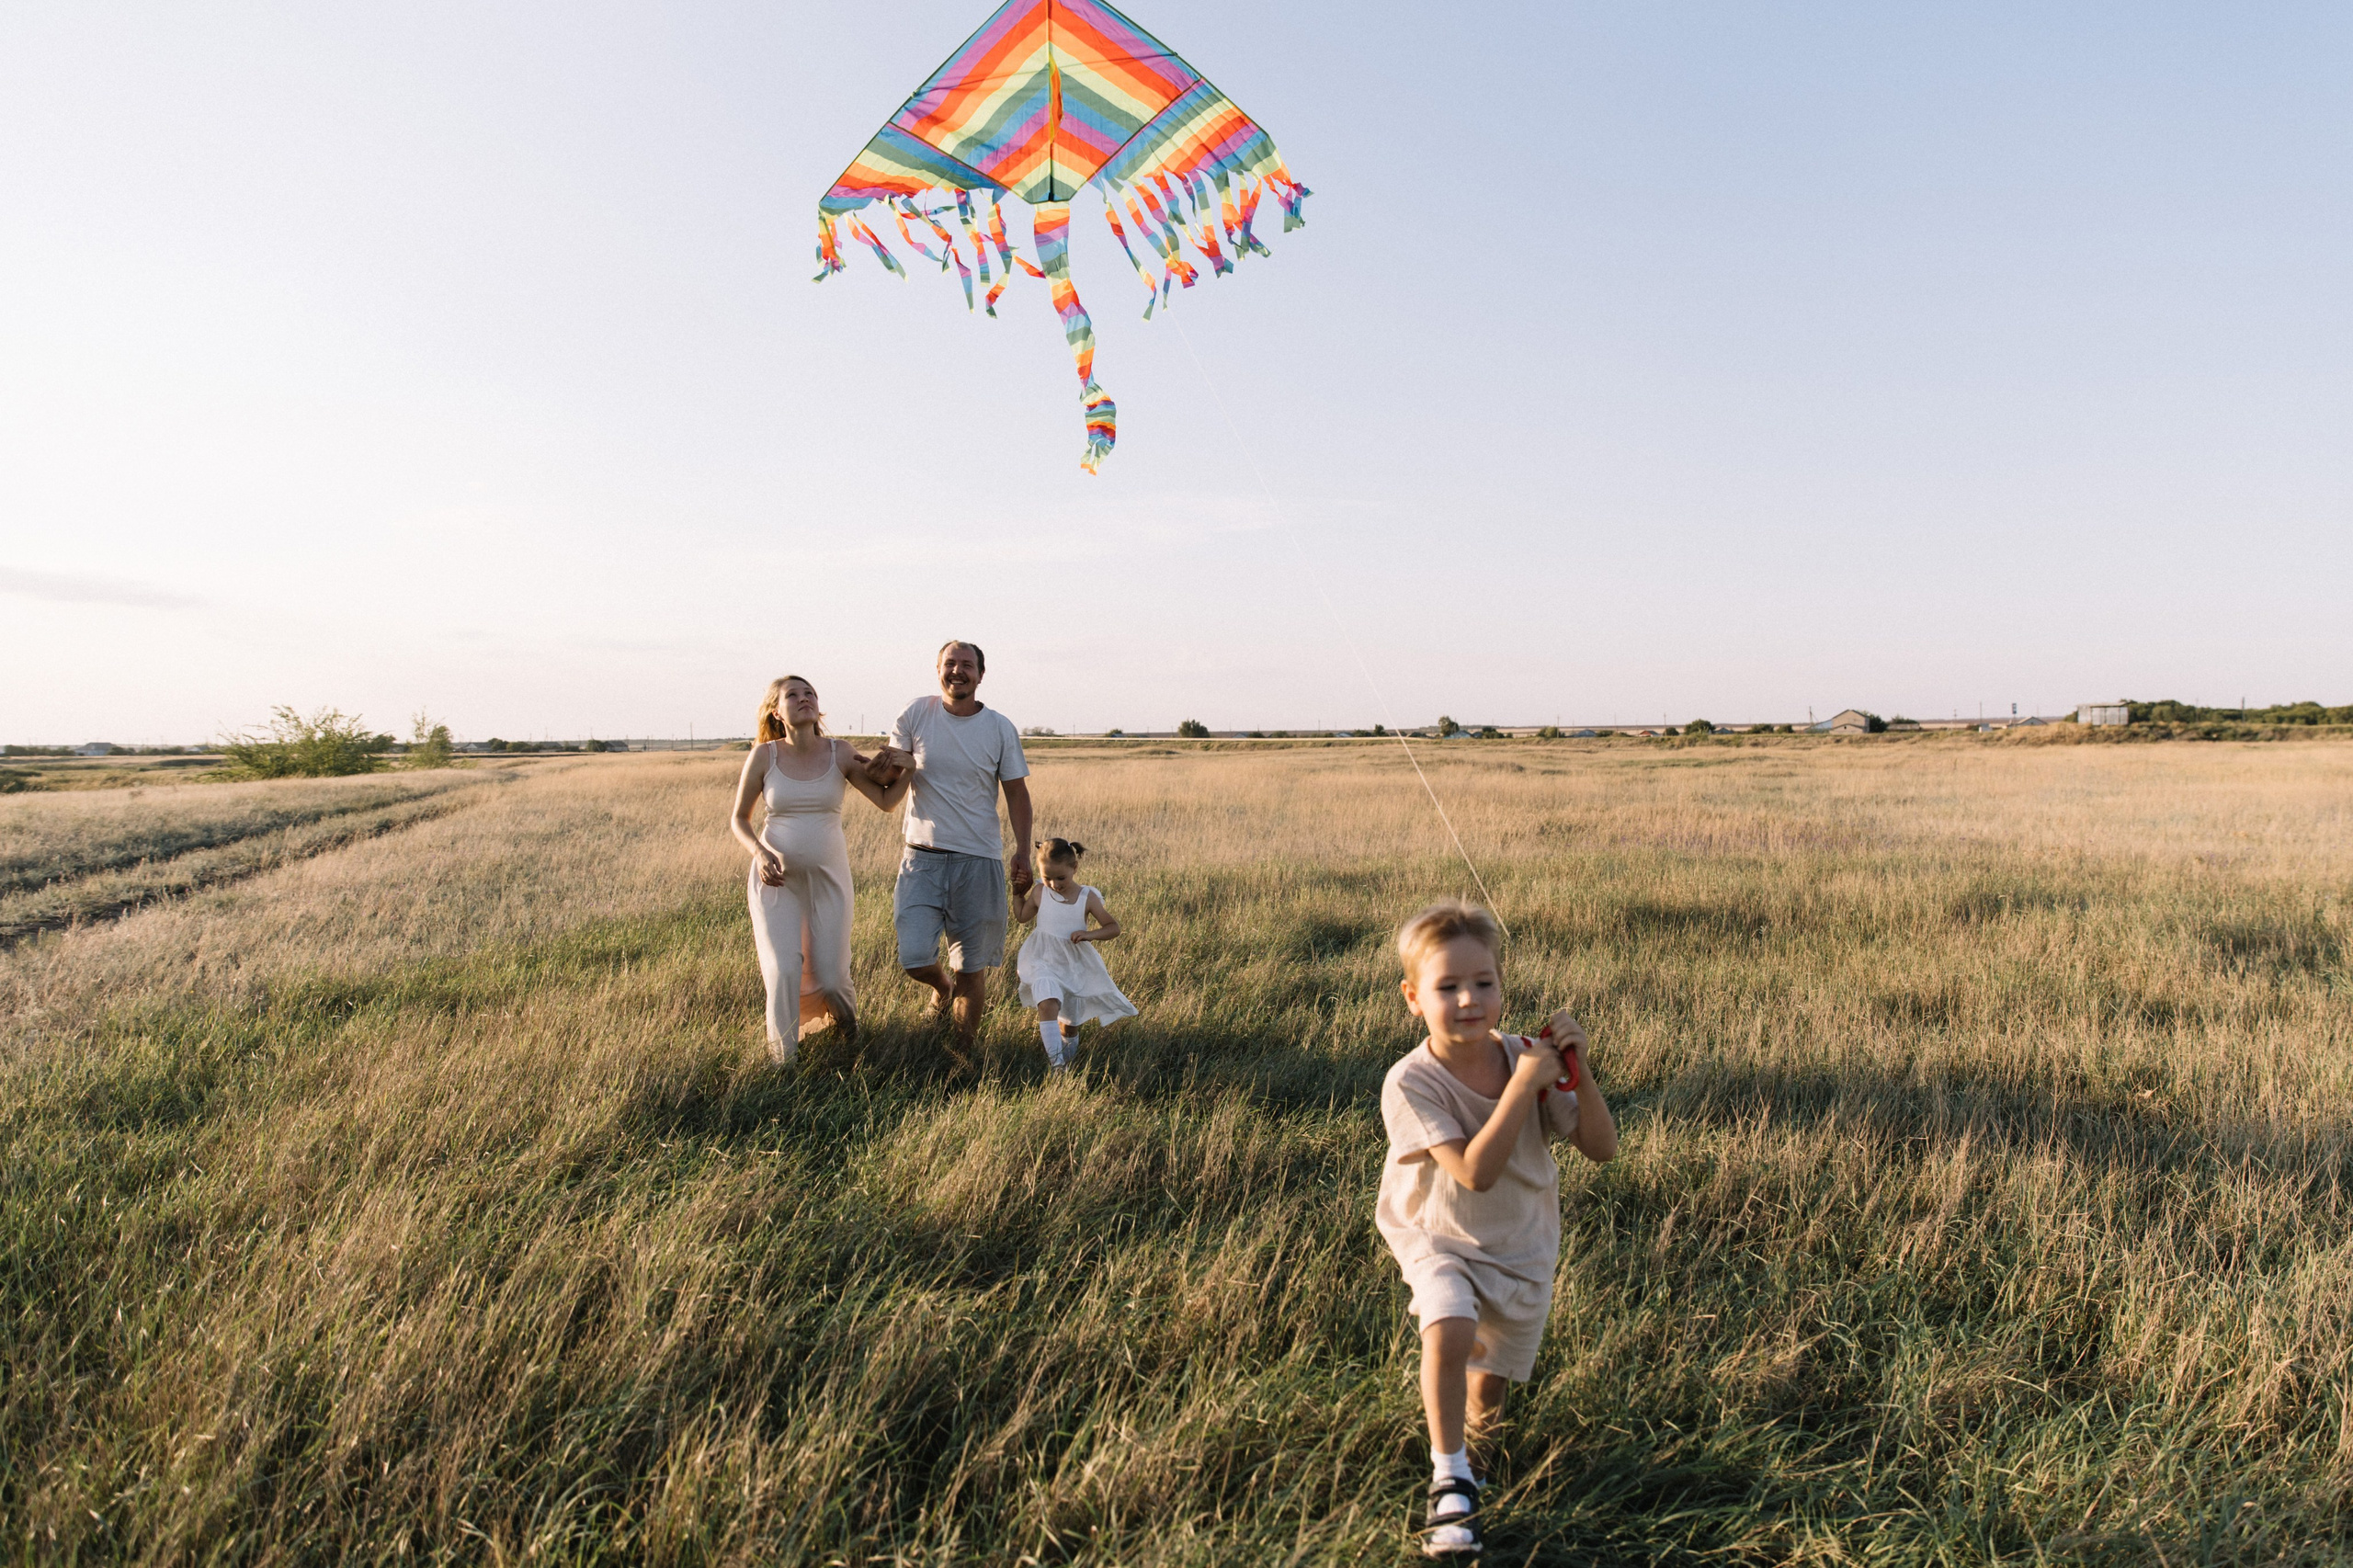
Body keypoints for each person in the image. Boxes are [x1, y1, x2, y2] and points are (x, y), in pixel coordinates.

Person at [1376, 900, 1620, 1559]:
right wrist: (1522, 1089)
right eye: (1447, 987)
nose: (1468, 999)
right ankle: (1447, 1476)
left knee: (1489, 1390)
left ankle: (1474, 1474)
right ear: (1413, 998)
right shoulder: (1409, 1082)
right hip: (1439, 1233)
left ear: (1501, 987)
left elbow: (1602, 1147)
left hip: (1520, 1244)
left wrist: (1577, 1068)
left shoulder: (1526, 1058)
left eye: (1483, 982)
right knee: (1449, 1324)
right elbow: (1472, 1174)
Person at [869, 640, 1033, 1068]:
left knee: (971, 967)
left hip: (978, 860)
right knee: (914, 956)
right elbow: (890, 778)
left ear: (981, 674)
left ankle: (960, 1057)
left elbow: (1017, 793)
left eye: (966, 665)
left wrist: (1021, 850)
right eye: (949, 664)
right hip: (920, 858)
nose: (957, 672)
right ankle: (940, 990)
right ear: (937, 670)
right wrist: (889, 764)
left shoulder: (999, 727)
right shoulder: (914, 714)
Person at [728, 675, 904, 1064]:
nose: (804, 698)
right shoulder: (764, 755)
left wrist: (907, 769)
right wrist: (759, 852)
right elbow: (739, 819)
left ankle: (851, 1038)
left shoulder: (839, 752)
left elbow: (886, 800)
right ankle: (783, 1064)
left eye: (810, 693)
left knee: (830, 975)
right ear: (777, 710)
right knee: (783, 968)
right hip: (776, 882)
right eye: (793, 694)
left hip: (829, 881)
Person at [1013, 837, 1136, 1070]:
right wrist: (1017, 893)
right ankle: (1057, 1066)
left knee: (1069, 1024)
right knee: (1047, 1003)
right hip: (1042, 959)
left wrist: (1089, 934)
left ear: (1074, 868)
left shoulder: (1086, 897)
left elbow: (1113, 928)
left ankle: (1066, 1062)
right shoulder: (1040, 892)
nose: (1054, 884)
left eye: (1061, 878)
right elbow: (1021, 917)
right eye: (1047, 877)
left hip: (1072, 964)